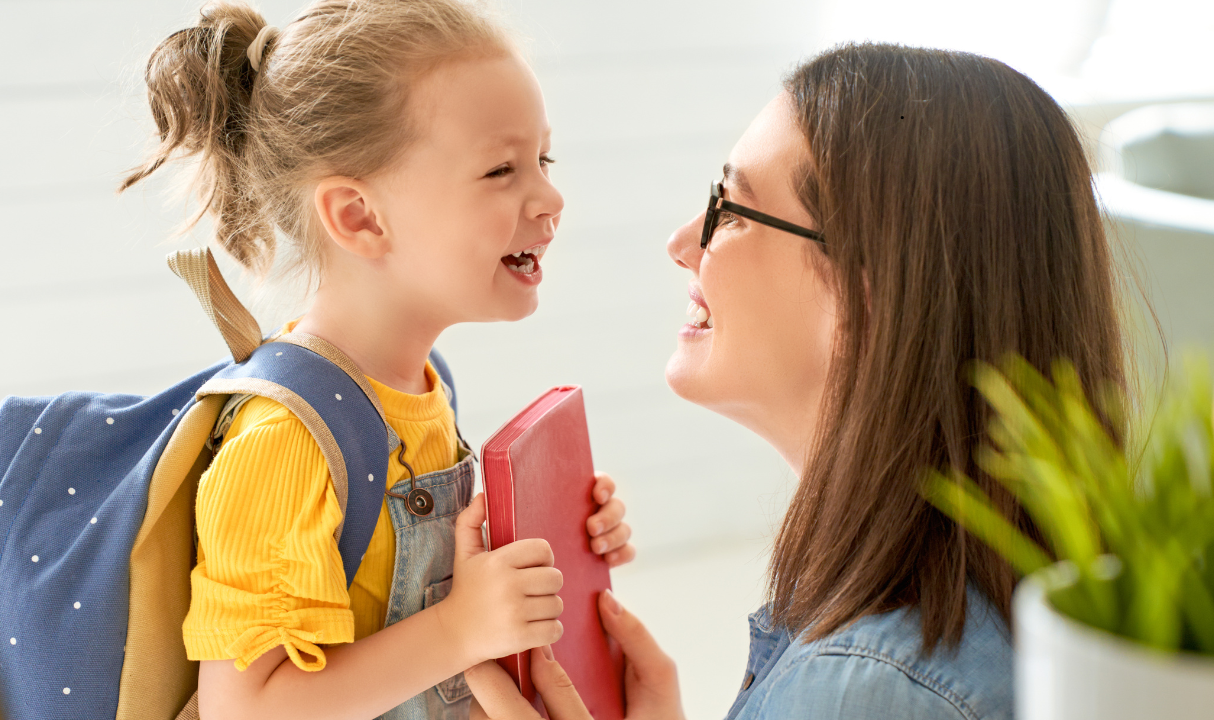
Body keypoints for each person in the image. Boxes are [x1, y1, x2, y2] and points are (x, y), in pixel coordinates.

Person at [467, 42, 1127, 720]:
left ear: (866, 296)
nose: (683, 242)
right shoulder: (1008, 612)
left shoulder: (867, 690)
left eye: (731, 208)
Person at [120, 2, 636, 719]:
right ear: (359, 216)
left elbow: (388, 588)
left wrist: (544, 542)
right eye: (500, 170)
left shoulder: (421, 386)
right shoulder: (284, 440)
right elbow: (247, 708)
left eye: (542, 160)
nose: (550, 197)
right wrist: (460, 627)